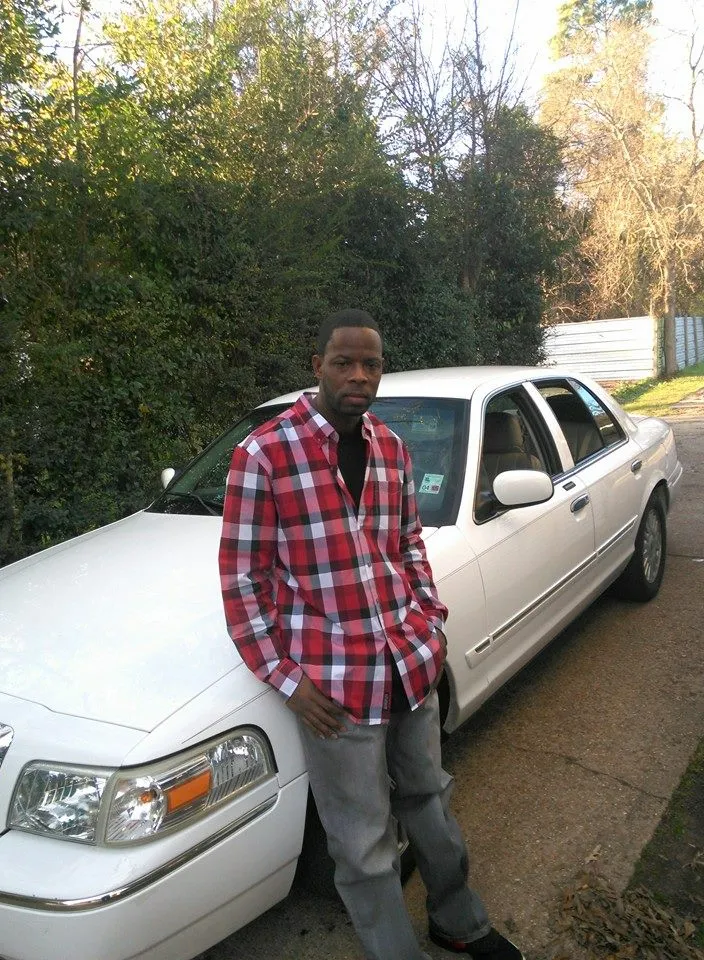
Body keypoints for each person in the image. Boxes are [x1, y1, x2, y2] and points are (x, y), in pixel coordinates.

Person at [219, 309, 523, 960]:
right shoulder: (264, 455)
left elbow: (409, 546)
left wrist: (431, 626)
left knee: (431, 803)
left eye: (372, 364)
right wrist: (289, 682)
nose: (359, 375)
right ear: (317, 366)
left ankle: (458, 919)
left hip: (408, 666)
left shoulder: (389, 447)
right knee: (360, 842)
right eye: (344, 362)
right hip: (333, 689)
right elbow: (244, 582)